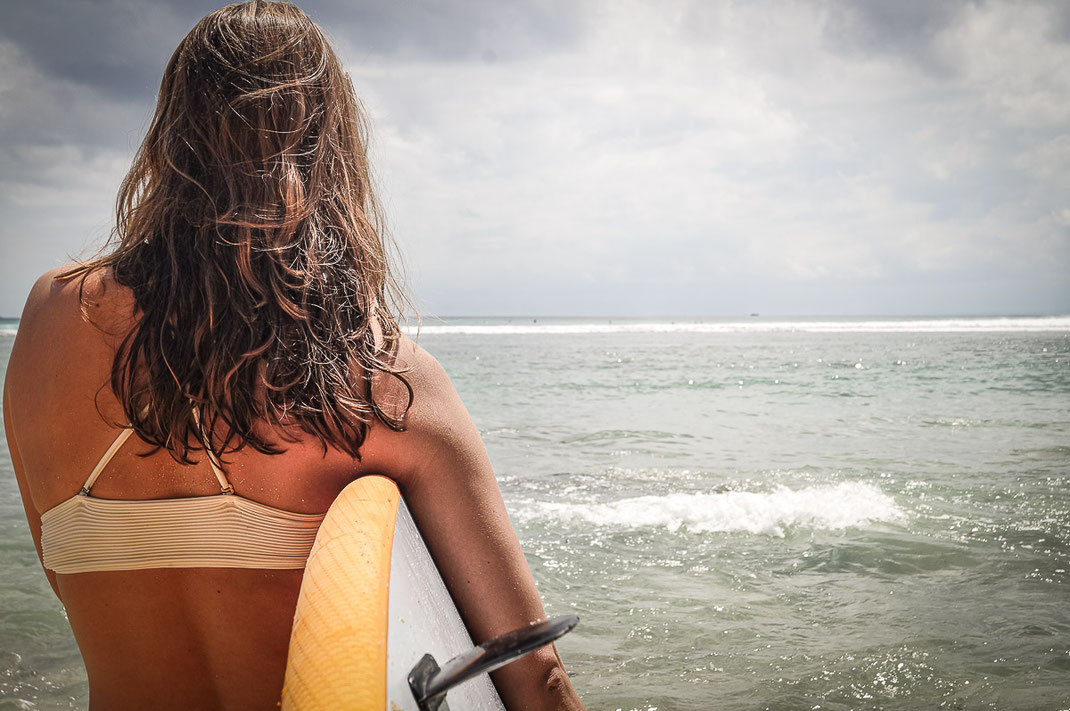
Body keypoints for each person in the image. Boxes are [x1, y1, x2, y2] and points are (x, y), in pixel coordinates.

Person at [2, 2, 585, 709]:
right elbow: (536, 672)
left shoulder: (47, 322)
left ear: (170, 141)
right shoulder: (383, 386)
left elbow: (58, 574)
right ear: (330, 149)